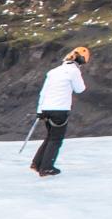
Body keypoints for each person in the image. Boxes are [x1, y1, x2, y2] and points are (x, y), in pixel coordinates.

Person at [30, 47, 90, 177]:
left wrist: (39, 111)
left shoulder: (53, 71)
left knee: (50, 136)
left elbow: (43, 92)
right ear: (81, 60)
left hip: (46, 108)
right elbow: (80, 89)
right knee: (56, 139)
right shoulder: (73, 71)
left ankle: (37, 163)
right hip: (60, 110)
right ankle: (46, 168)